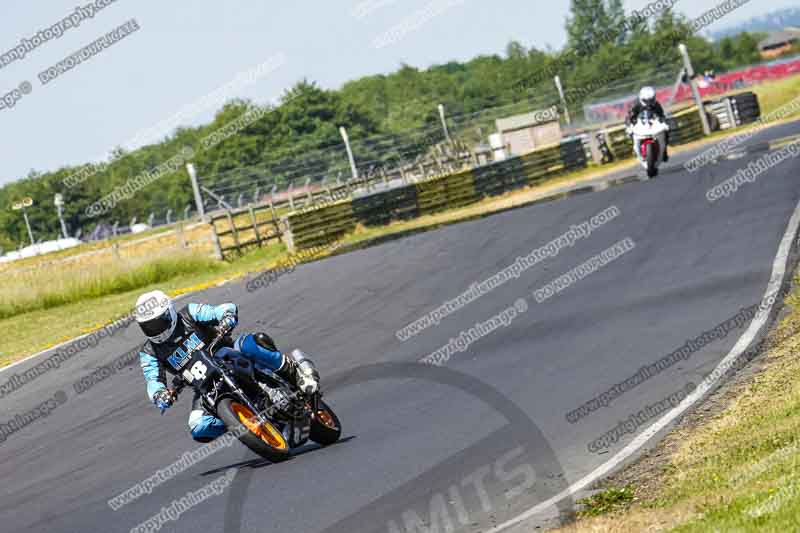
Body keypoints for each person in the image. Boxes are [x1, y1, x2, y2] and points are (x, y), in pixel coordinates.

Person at [134, 290, 319, 443]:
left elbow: (220, 309)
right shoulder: (149, 351)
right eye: (148, 326)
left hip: (228, 355)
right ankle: (244, 423)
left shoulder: (188, 314)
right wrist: (159, 395)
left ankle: (296, 373)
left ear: (169, 312)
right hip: (205, 387)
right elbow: (153, 380)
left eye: (158, 322)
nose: (155, 329)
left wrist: (226, 317)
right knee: (198, 426)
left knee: (248, 343)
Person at [626, 86, 670, 162]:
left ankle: (664, 149)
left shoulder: (656, 104)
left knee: (666, 131)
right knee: (630, 133)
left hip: (653, 124)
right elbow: (629, 117)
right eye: (646, 101)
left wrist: (664, 123)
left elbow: (662, 115)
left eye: (651, 100)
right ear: (641, 98)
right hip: (640, 124)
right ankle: (634, 149)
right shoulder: (636, 105)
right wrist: (629, 125)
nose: (649, 103)